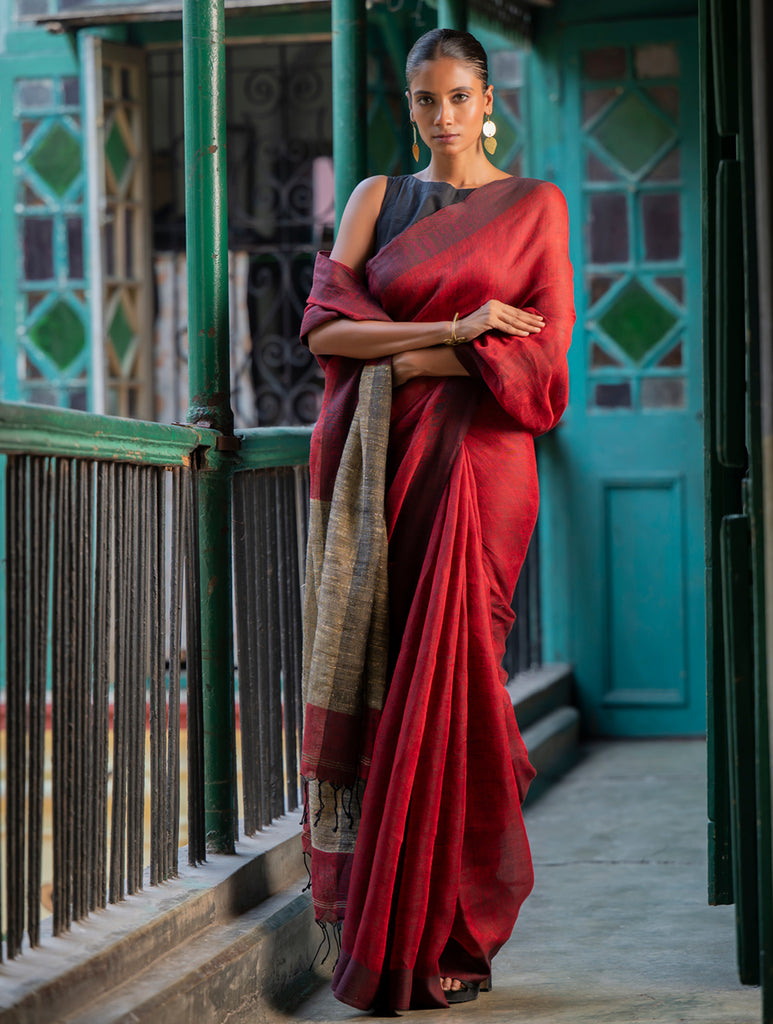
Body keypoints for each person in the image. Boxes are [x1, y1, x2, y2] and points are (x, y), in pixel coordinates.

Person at [298, 27, 575, 1013]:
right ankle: (392, 928)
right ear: (409, 107)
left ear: (487, 98)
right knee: (394, 687)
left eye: (459, 96)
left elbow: (542, 375)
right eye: (426, 100)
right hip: (388, 475)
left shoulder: (535, 206)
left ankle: (457, 928)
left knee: (460, 686)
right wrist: (456, 333)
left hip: (485, 473)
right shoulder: (378, 199)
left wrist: (406, 356)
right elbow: (325, 329)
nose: (444, 116)